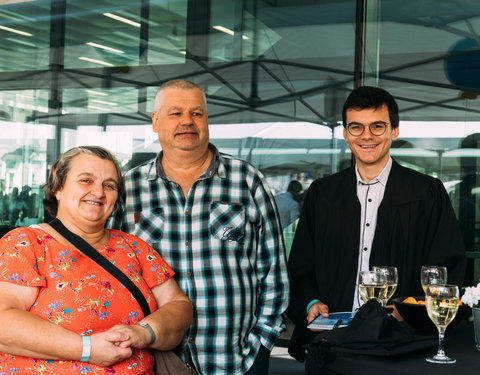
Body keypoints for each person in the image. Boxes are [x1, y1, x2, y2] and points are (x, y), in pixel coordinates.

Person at [110, 79, 289, 374]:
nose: (187, 122)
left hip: (235, 360)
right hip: (152, 359)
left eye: (196, 113)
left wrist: (263, 344)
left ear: (207, 119)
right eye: (175, 113)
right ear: (155, 122)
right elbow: (111, 270)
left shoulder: (246, 181)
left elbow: (273, 271)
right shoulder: (129, 188)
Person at [287, 86, 466, 365]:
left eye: (377, 126)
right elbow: (301, 264)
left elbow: (445, 267)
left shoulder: (426, 192)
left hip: (400, 343)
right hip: (333, 342)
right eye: (356, 127)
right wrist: (310, 303)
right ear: (346, 133)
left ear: (394, 130)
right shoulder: (323, 194)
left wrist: (408, 310)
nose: (366, 136)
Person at [0, 146, 192, 374]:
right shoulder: (26, 243)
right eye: (86, 180)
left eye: (109, 185)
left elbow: (178, 305)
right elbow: (4, 321)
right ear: (57, 188)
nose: (98, 192)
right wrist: (87, 349)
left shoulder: (133, 246)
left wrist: (145, 332)